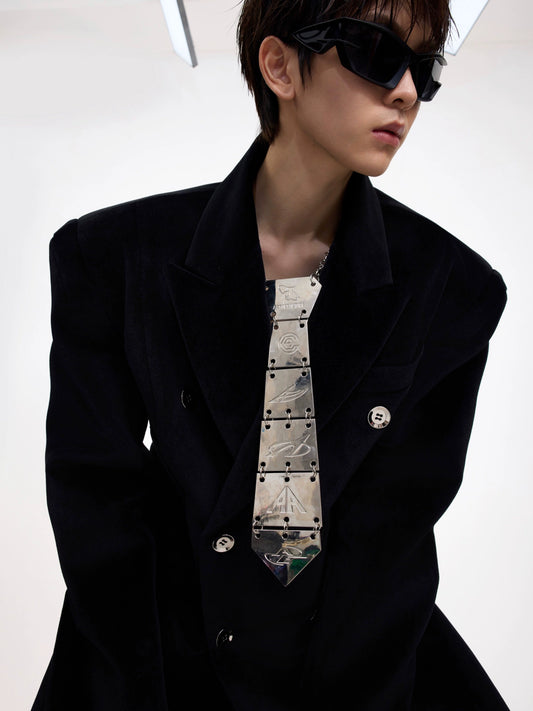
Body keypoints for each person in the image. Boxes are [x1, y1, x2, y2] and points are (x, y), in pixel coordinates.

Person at [32, 0, 510, 709]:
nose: (407, 92)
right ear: (280, 66)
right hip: (154, 650)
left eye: (422, 67)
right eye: (377, 53)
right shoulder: (113, 257)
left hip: (347, 664)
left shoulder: (452, 289)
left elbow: (390, 542)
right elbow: (95, 506)